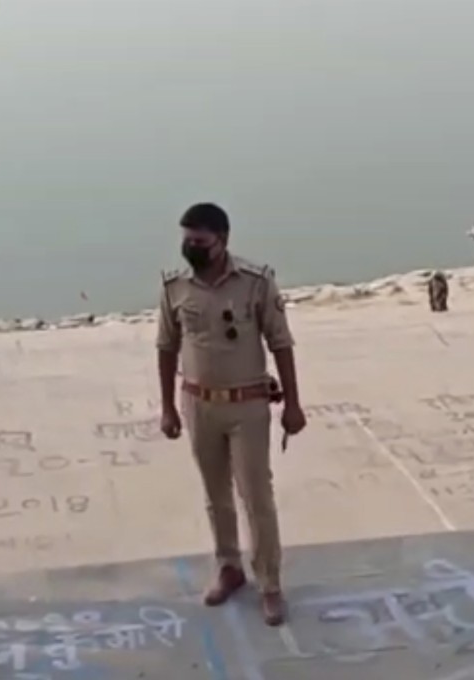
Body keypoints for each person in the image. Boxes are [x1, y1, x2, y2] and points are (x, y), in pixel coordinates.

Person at [156, 203, 306, 626]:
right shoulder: (174, 287)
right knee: (215, 495)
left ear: (223, 241)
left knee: (256, 496)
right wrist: (167, 407)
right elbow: (166, 347)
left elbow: (281, 343)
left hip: (248, 404)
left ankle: (270, 584)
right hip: (199, 404)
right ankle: (229, 567)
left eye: (200, 242)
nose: (191, 248)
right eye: (186, 240)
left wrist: (293, 403)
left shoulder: (256, 282)